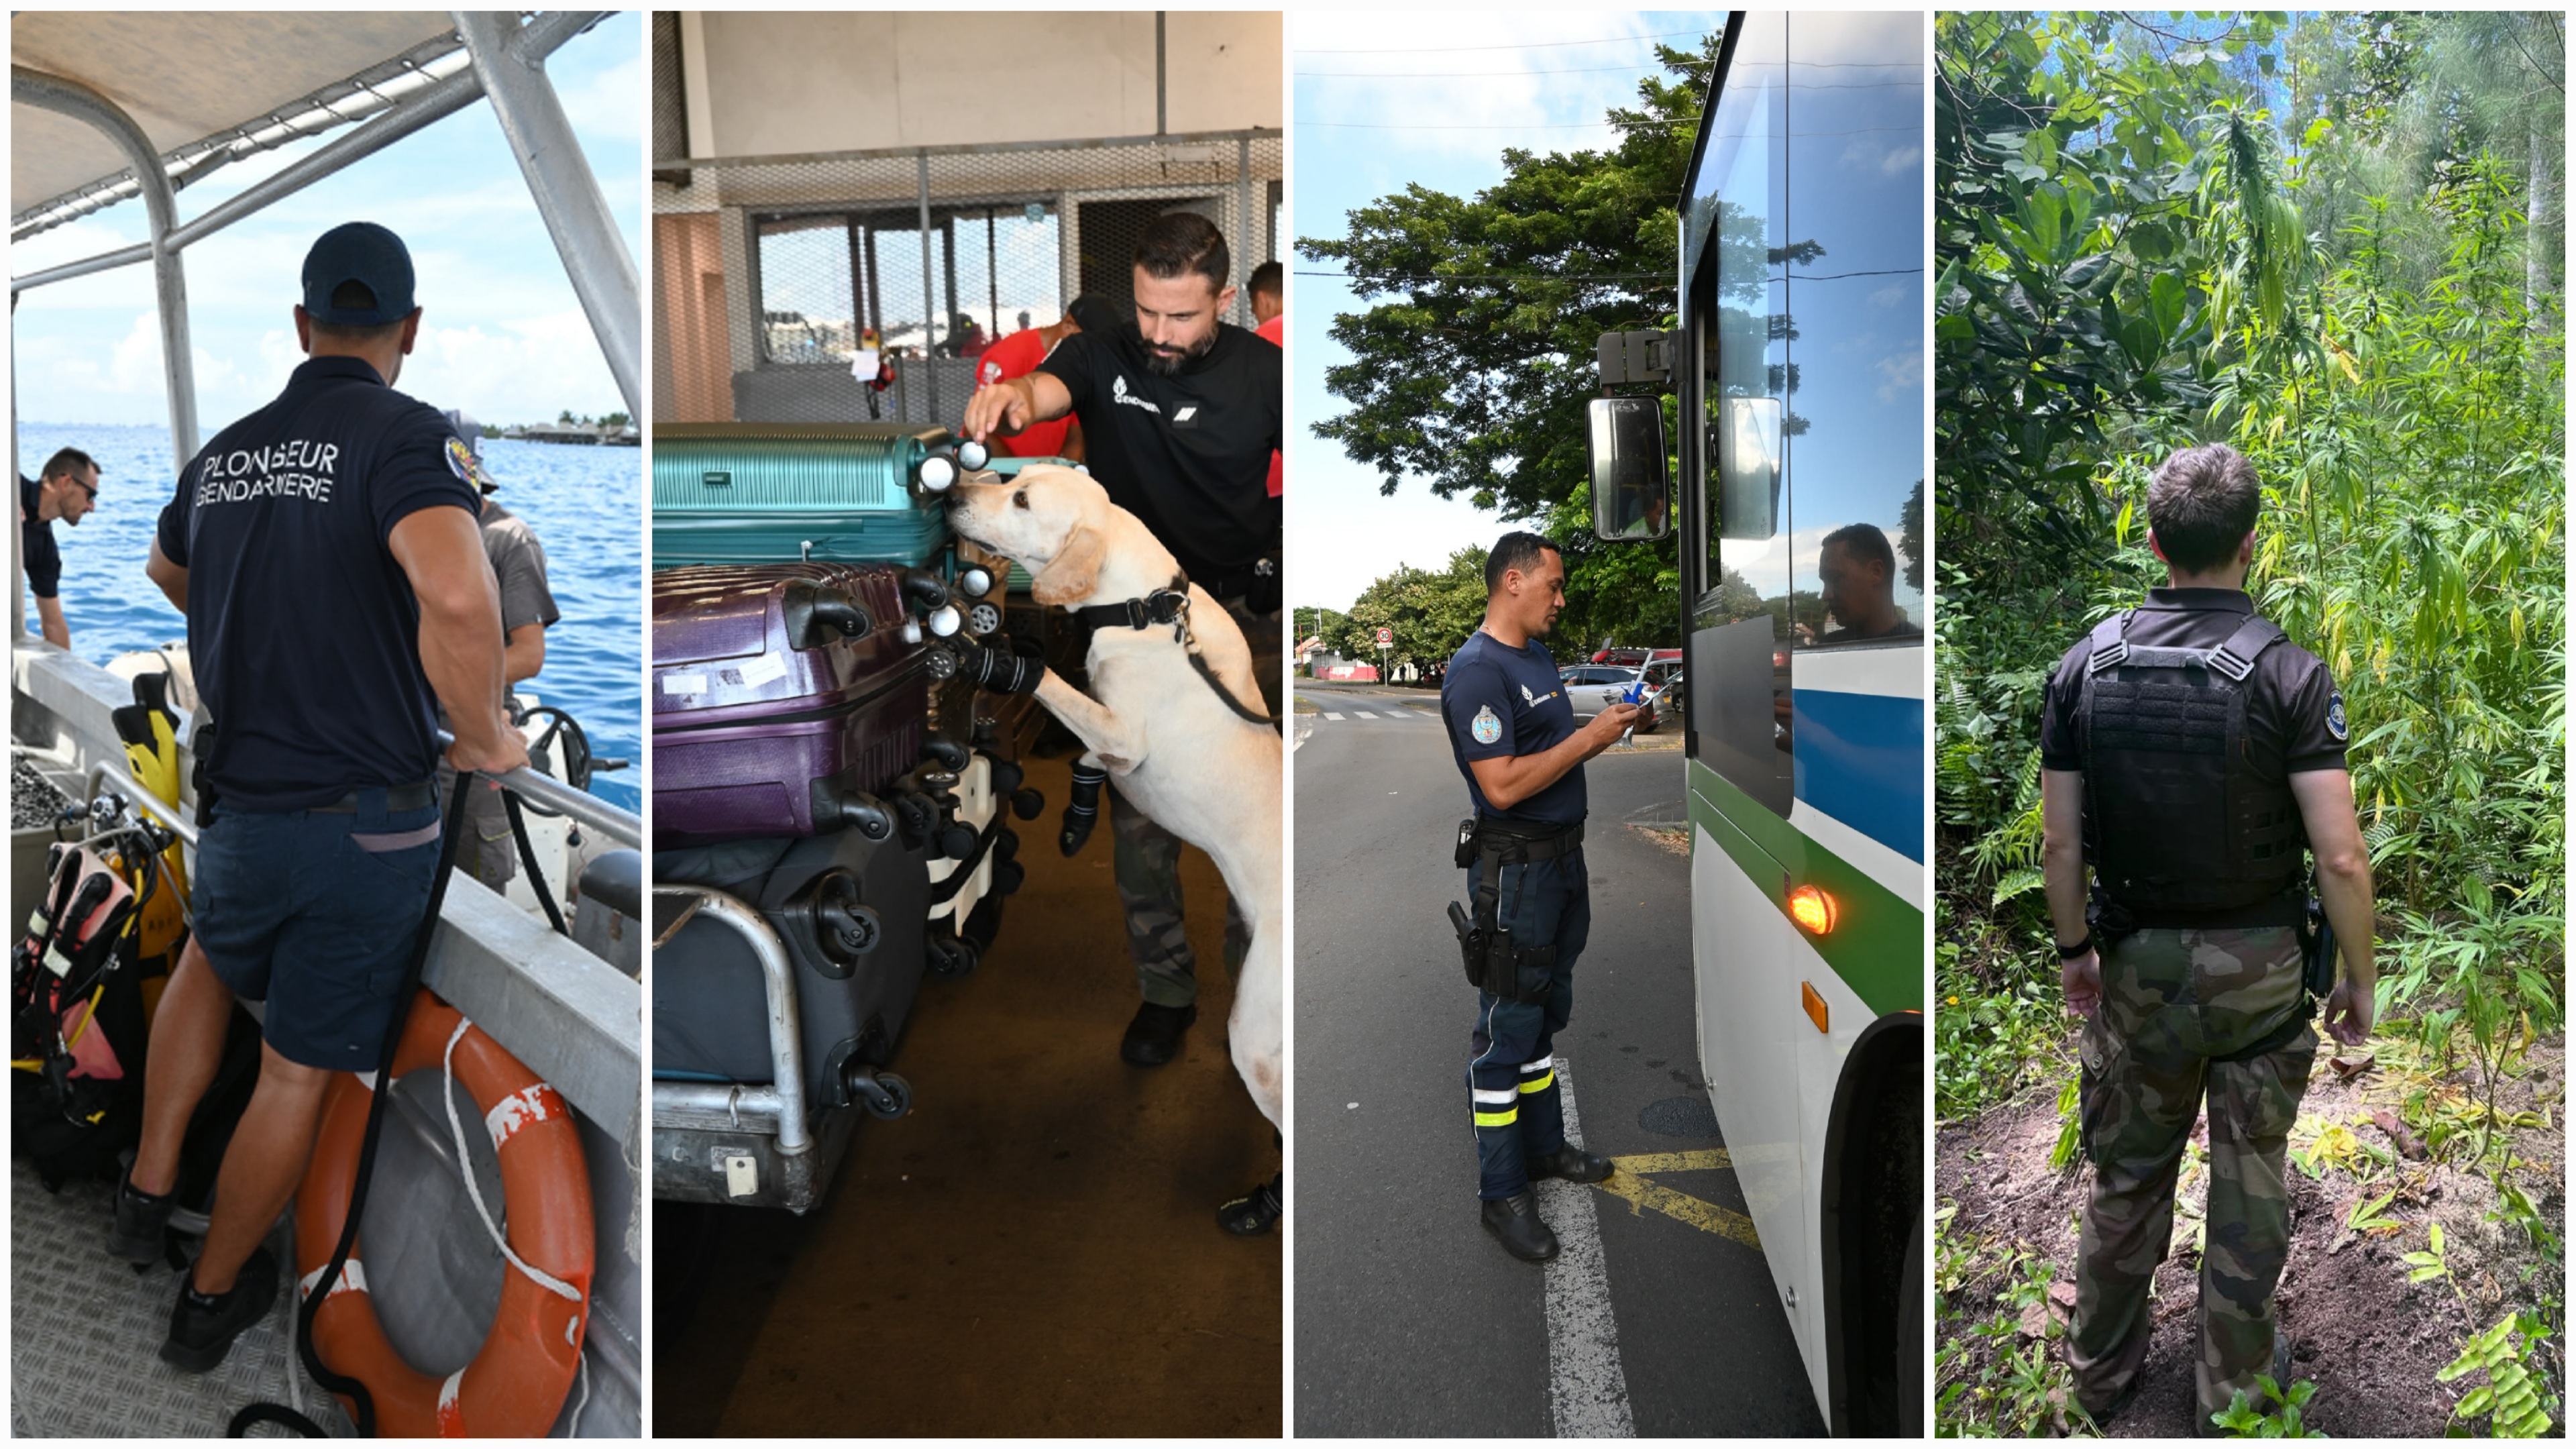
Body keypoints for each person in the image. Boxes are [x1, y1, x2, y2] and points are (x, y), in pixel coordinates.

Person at [112, 221, 528, 1373]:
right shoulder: (407, 437)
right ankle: (207, 1306)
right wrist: (489, 735)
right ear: (409, 330)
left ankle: (145, 1193)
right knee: (296, 1069)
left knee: (209, 959)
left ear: (303, 326)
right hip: (366, 824)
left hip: (237, 803)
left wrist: (271, 600)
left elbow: (165, 570)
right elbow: (456, 595)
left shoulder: (229, 451)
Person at [2040, 443, 2374, 1430]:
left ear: (2155, 542)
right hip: (2262, 977)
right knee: (2249, 1174)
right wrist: (2361, 980)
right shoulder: (2291, 676)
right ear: (2251, 545)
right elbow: (2343, 859)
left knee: (2128, 1175)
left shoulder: (2082, 670)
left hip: (2136, 967)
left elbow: (2062, 843)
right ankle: (2230, 1393)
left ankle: (2096, 1380)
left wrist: (2075, 956)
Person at [962, 213, 1283, 1075]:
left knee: (1250, 813)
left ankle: (1258, 986)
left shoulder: (1268, 375)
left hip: (1231, 619)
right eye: (1148, 311)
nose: (1160, 333)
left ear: (1222, 299)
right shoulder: (1103, 353)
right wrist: (1008, 399)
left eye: (1181, 316)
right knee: (1142, 819)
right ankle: (1166, 993)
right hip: (1121, 614)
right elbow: (1039, 395)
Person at [1440, 532, 1642, 1261]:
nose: (1562, 599)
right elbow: (1501, 785)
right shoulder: (1476, 673)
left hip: (1562, 867)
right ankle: (1503, 1195)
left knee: (1543, 1015)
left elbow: (1551, 751)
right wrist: (1590, 740)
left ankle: (1547, 1149)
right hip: (1517, 875)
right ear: (1514, 582)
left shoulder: (1537, 657)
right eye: (1554, 586)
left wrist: (1617, 728)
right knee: (1504, 1035)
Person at [432, 408, 562, 892]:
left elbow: (529, 655)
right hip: (411, 743)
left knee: (477, 899)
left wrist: (434, 677)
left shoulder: (510, 541)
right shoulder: (416, 535)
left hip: (475, 743)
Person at [968, 297, 1114, 461]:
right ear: (1068, 326)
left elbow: (1075, 433)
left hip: (1042, 477)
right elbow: (976, 426)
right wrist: (1017, 474)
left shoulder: (1082, 369)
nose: (1093, 353)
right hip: (995, 472)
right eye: (1089, 344)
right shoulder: (1008, 355)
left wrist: (1066, 475)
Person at [19, 447, 103, 649]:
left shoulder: (45, 551)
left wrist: (72, 672)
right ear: (66, 482)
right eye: (90, 495)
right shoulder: (11, 485)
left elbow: (53, 623)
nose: (92, 507)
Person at [1813, 521, 1919, 644]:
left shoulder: (1921, 650)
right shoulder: (1828, 647)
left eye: (1836, 579)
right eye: (1825, 582)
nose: (1826, 595)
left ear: (1876, 572)